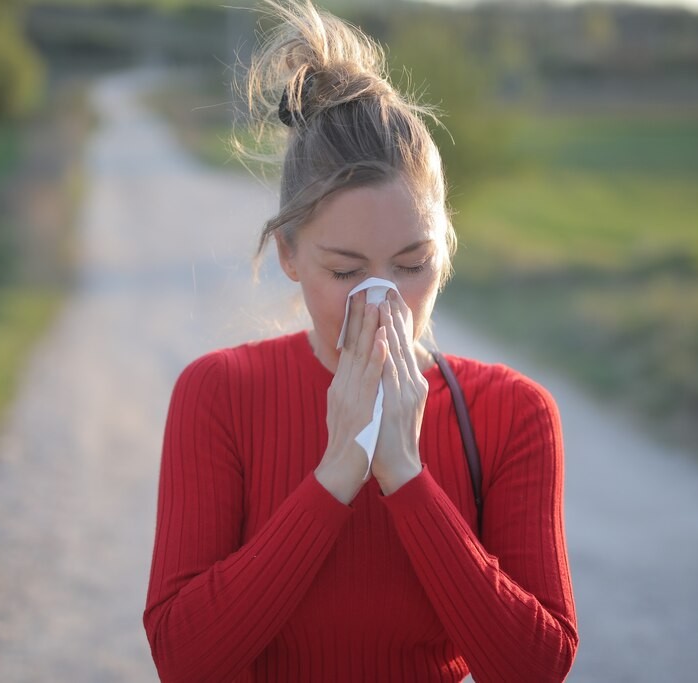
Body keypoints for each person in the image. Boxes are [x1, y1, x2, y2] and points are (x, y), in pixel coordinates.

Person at [143, 1, 578, 681]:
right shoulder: (220, 394)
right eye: (345, 270)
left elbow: (535, 666)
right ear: (288, 253)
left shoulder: (511, 413)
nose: (383, 300)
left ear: (445, 249)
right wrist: (335, 473)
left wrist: (403, 472)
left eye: (412, 264)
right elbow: (183, 658)